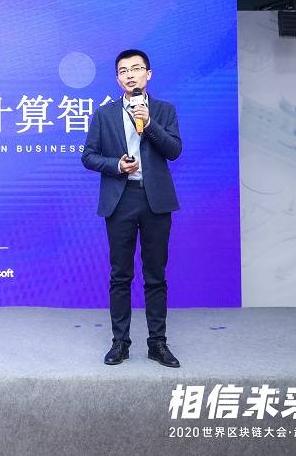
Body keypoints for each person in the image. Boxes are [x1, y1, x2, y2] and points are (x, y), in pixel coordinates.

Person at [81, 49, 182, 368]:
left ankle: (157, 343)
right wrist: (116, 165)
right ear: (117, 78)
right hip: (121, 199)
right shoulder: (104, 114)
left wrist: (148, 122)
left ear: (148, 74)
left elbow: (174, 150)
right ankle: (120, 343)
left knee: (156, 275)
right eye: (123, 71)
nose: (130, 75)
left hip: (156, 200)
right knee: (120, 275)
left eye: (136, 69)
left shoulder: (164, 110)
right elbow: (88, 156)